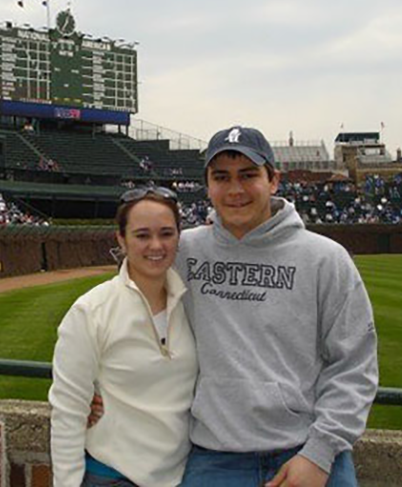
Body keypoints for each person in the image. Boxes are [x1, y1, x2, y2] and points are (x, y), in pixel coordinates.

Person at [90, 126, 378, 487]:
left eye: (248, 175)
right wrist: (89, 382)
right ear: (208, 185)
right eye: (221, 177)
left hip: (309, 452)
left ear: (273, 180)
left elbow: (355, 364)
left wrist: (319, 453)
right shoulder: (184, 252)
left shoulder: (325, 259)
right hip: (215, 458)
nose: (235, 190)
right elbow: (122, 312)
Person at [49, 186, 198, 487]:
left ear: (179, 237)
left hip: (182, 476)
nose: (156, 245)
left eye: (166, 233)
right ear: (121, 238)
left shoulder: (194, 306)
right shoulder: (90, 311)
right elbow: (67, 412)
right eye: (142, 235)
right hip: (111, 477)